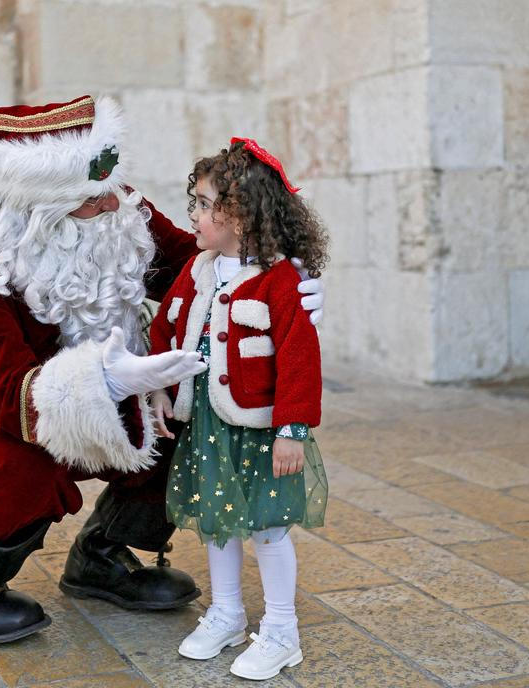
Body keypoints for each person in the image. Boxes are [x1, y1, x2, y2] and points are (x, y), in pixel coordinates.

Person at [0, 97, 326, 645]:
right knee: (17, 469)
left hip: (113, 382)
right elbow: (6, 398)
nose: (113, 203)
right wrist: (108, 383)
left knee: (187, 419)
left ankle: (101, 556)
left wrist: (275, 284)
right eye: (91, 198)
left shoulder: (115, 206)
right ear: (33, 204)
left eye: (111, 185)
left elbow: (195, 266)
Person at [148, 138, 329, 680]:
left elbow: (299, 359)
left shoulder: (280, 279)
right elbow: (167, 327)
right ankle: (226, 612)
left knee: (268, 529)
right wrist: (159, 387)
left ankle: (281, 630)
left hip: (261, 429)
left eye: (205, 205)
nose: (194, 215)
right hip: (208, 424)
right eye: (196, 202)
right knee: (217, 521)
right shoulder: (199, 269)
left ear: (243, 215)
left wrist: (292, 430)